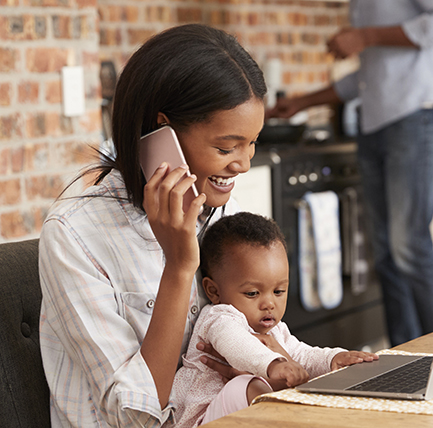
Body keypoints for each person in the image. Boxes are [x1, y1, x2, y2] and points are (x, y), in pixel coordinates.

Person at [38, 24, 267, 428]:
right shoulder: (75, 234)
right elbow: (134, 417)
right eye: (225, 147)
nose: (243, 163)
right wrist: (179, 267)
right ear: (163, 130)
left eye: (252, 143)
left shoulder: (209, 211)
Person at [267, 0, 433, 347]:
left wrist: (366, 35)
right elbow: (370, 77)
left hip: (413, 120)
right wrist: (301, 103)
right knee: (386, 253)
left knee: (408, 247)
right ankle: (406, 356)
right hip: (373, 126)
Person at [170, 212, 378, 427]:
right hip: (201, 420)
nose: (269, 303)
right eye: (252, 293)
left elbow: (301, 354)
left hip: (243, 419)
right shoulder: (219, 317)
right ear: (213, 291)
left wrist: (334, 359)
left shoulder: (275, 330)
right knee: (245, 385)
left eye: (278, 291)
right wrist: (274, 364)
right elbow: (235, 343)